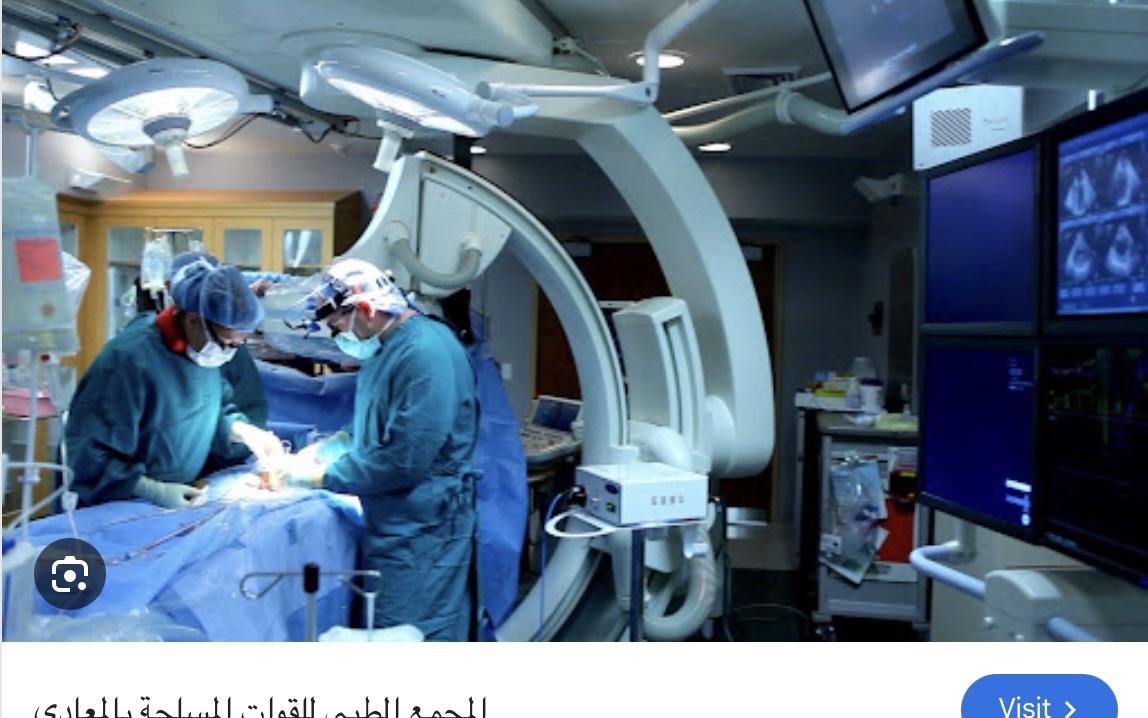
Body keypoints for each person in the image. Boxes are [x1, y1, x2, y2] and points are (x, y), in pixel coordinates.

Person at [282, 259, 479, 641]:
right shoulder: (386, 347)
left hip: (424, 531)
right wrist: (334, 446)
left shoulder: (425, 353)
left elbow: (405, 460)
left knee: (407, 637)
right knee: (383, 628)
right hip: (397, 522)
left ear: (366, 310)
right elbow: (378, 420)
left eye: (337, 325)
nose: (337, 335)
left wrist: (322, 476)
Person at [66, 261, 285, 508]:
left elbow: (213, 411)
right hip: (118, 505)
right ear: (192, 320)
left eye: (239, 344)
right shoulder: (128, 361)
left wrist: (242, 431)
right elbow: (87, 454)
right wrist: (152, 490)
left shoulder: (201, 354)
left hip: (174, 504)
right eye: (227, 343)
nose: (230, 352)